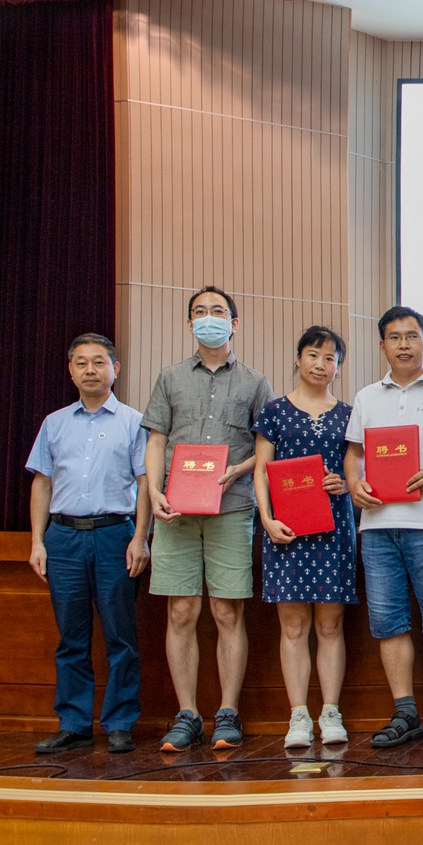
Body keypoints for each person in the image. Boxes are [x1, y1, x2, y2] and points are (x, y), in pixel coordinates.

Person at [143, 286, 273, 752]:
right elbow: (156, 440)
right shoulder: (170, 378)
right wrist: (154, 491)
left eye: (218, 311)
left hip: (232, 507)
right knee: (181, 611)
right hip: (175, 511)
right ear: (189, 323)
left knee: (226, 610)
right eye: (200, 312)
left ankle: (227, 713)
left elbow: (266, 449)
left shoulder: (256, 382)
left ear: (234, 323)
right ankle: (187, 715)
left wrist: (239, 469)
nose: (208, 318)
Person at [346, 305, 423, 748]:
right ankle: (405, 714)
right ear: (382, 345)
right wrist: (353, 484)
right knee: (388, 623)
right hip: (376, 527)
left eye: (412, 336)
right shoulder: (366, 397)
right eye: (395, 337)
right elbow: (354, 454)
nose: (404, 344)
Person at [26, 334, 151, 755]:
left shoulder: (134, 422)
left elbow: (145, 484)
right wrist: (37, 541)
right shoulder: (54, 423)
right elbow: (42, 483)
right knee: (71, 637)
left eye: (99, 362)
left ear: (116, 369)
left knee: (120, 636)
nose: (90, 370)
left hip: (115, 535)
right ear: (71, 371)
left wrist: (140, 538)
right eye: (81, 363)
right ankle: (74, 723)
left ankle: (120, 723)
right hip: (62, 538)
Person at [251, 326, 357, 749]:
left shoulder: (348, 414)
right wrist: (267, 519)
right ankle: (298, 715)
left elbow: (356, 472)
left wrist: (344, 483)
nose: (321, 364)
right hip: (286, 531)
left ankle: (330, 712)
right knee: (293, 625)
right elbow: (262, 471)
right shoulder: (274, 411)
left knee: (330, 625)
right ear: (298, 359)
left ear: (338, 367)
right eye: (314, 355)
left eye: (330, 358)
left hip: (334, 529)